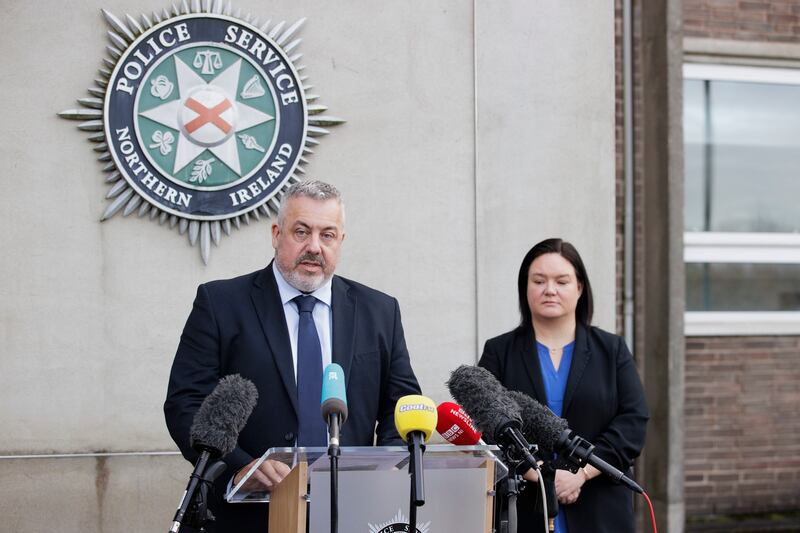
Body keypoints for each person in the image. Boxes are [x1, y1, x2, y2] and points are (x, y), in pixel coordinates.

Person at [164, 180, 421, 533]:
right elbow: (186, 403)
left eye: (327, 235)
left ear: (341, 241)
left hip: (350, 512)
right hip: (249, 515)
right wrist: (240, 466)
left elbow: (402, 403)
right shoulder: (221, 304)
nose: (314, 247)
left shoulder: (379, 310)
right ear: (276, 233)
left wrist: (384, 467)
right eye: (301, 231)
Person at [478, 238, 649, 533]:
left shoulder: (611, 349)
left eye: (562, 281)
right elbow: (484, 428)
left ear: (579, 288)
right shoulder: (499, 352)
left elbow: (633, 422)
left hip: (601, 507)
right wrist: (540, 476)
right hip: (524, 505)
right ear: (525, 287)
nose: (550, 290)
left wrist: (581, 474)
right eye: (539, 280)